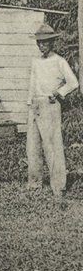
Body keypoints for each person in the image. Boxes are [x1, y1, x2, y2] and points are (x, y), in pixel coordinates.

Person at [27, 23, 79, 198]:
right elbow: (32, 84)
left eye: (46, 43)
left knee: (52, 146)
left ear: (52, 43)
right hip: (35, 104)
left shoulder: (59, 61)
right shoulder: (35, 62)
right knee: (32, 146)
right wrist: (30, 103)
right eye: (40, 43)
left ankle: (58, 186)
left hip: (50, 105)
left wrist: (58, 93)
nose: (42, 46)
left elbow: (73, 83)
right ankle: (34, 184)